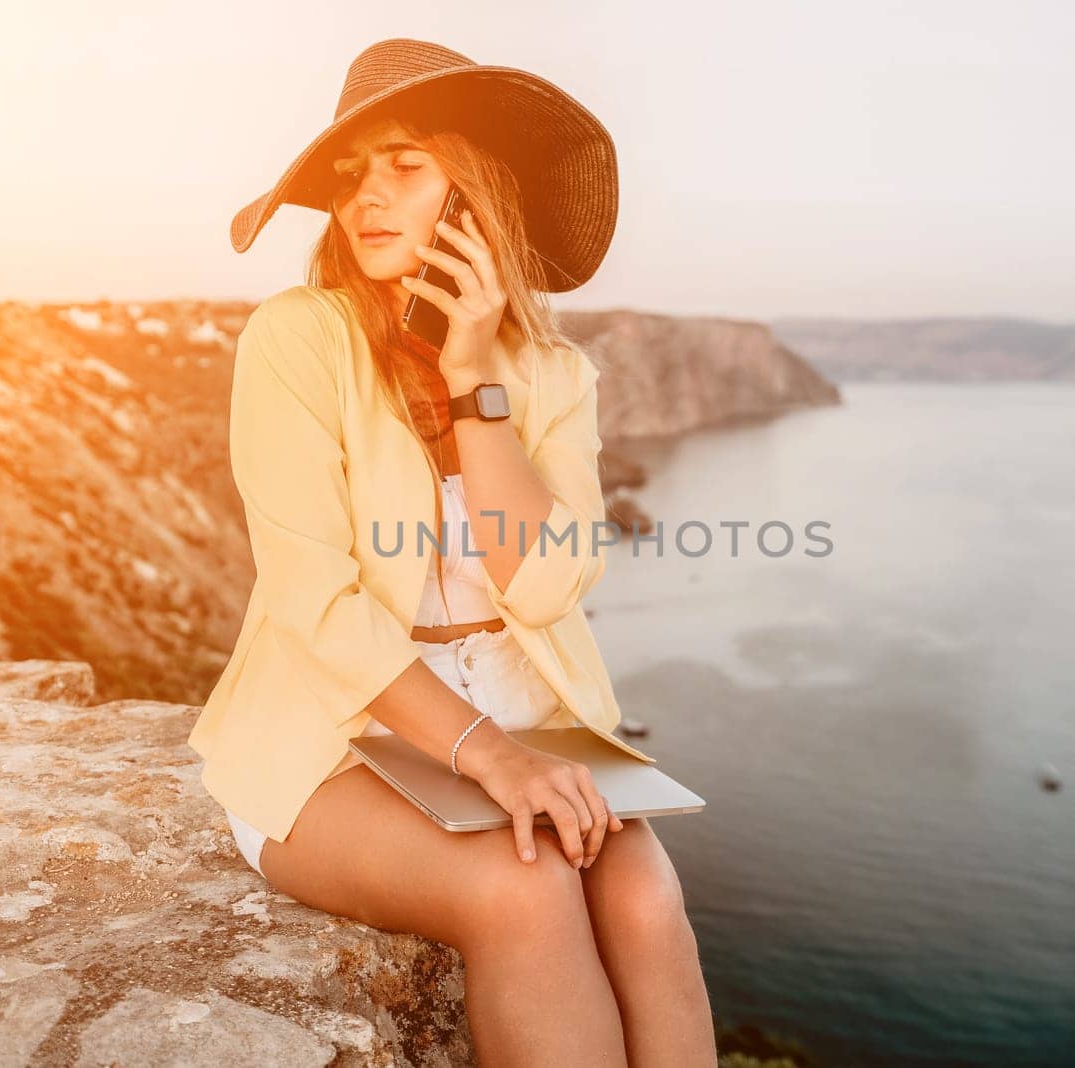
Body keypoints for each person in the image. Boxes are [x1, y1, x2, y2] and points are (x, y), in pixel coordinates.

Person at [186, 38, 716, 1065]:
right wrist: (492, 756)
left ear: (474, 194)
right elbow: (317, 601)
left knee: (646, 899)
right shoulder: (298, 338)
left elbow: (551, 581)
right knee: (522, 890)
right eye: (350, 174)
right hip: (333, 738)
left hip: (525, 709)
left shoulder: (550, 374)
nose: (365, 199)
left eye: (405, 165)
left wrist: (474, 380)